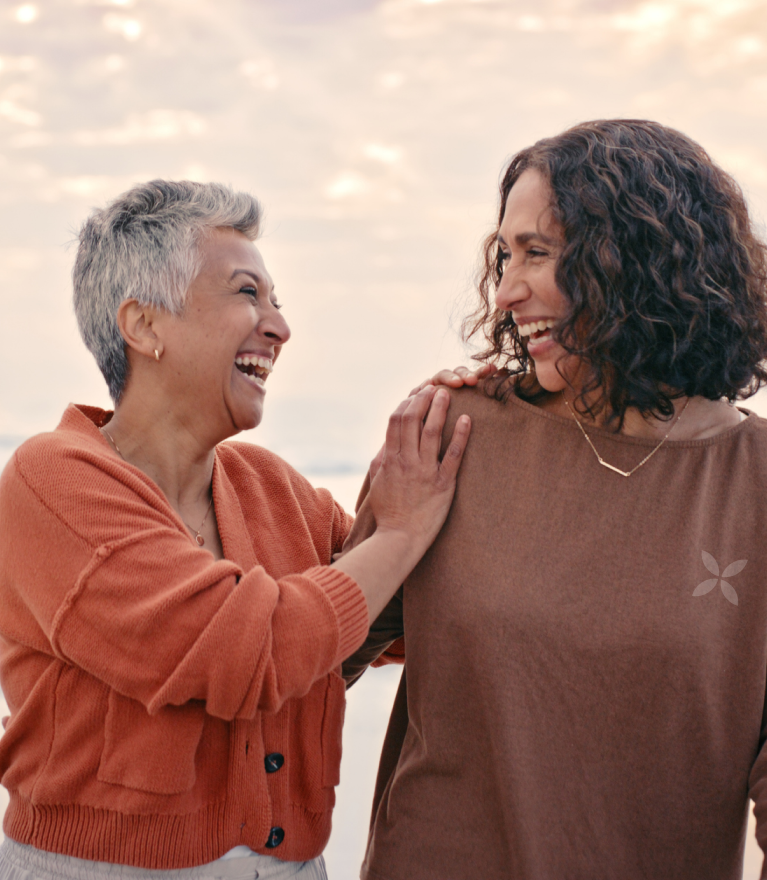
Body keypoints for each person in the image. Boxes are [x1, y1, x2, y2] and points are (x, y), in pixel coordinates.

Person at [343, 119, 767, 880]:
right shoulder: (453, 433)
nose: (508, 289)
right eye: (504, 255)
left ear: (642, 262)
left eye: (540, 254)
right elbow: (321, 654)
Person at [0, 180, 472, 880]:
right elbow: (248, 651)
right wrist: (399, 535)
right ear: (145, 325)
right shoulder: (52, 481)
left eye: (277, 302)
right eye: (248, 294)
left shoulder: (271, 486)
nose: (280, 327)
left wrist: (489, 422)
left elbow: (406, 611)